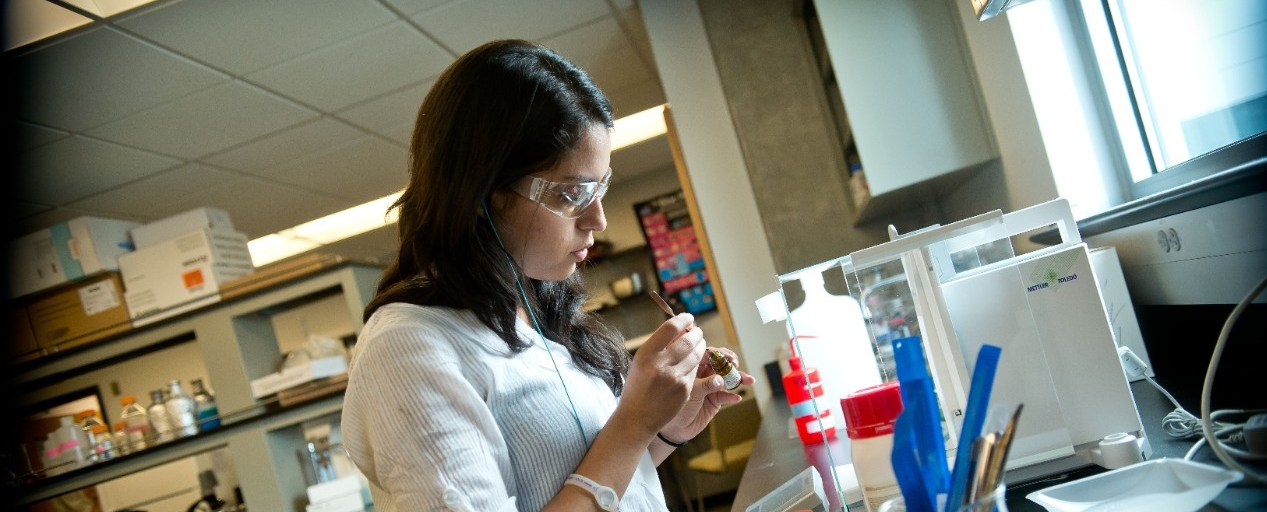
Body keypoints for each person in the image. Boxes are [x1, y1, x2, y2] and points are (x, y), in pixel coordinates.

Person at [340, 39, 755, 512]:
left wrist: (664, 429)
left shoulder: (536, 311)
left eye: (601, 187)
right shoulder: (408, 348)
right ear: (485, 191)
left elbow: (594, 484)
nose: (598, 219)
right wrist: (634, 421)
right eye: (572, 193)